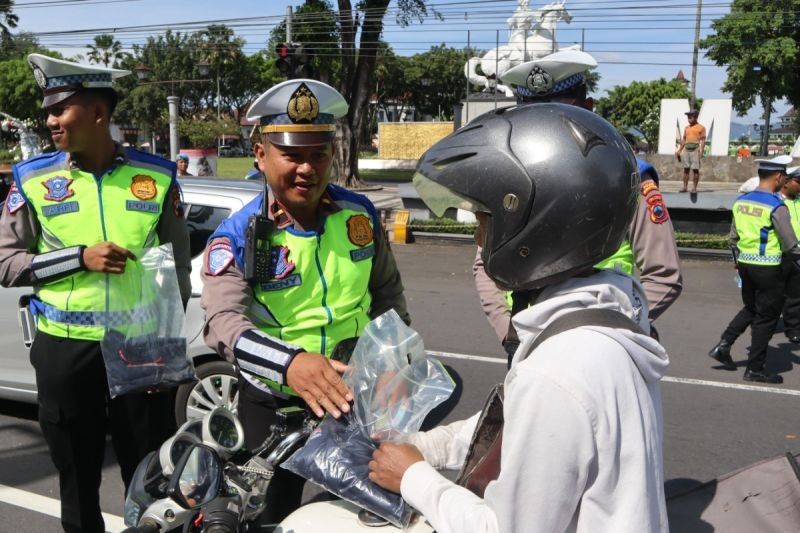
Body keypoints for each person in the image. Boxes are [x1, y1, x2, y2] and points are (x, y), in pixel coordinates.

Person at [368, 103, 669, 533]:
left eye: (484, 220)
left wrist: (413, 478)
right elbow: (522, 426)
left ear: (536, 225)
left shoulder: (558, 370)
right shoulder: (603, 320)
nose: (477, 236)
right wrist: (426, 446)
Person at [200, 78, 409, 523]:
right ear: (261, 155)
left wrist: (397, 360)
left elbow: (387, 293)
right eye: (292, 155)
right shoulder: (237, 235)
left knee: (372, 517)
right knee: (267, 519)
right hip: (273, 408)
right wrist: (290, 364)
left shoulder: (360, 215)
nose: (307, 169)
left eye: (319, 154)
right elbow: (223, 322)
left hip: (357, 401)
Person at [0, 54, 191, 533]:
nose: (50, 121)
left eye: (60, 109)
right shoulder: (33, 180)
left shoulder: (160, 177)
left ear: (98, 114)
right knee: (77, 480)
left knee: (149, 478)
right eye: (49, 111)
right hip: (64, 349)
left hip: (141, 348)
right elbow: (5, 262)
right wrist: (77, 257)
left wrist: (165, 345)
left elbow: (178, 268)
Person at [473, 50, 682, 359]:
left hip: (602, 346)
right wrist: (506, 330)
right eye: (533, 117)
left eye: (560, 115)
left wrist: (621, 327)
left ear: (588, 109)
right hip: (526, 339)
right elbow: (483, 262)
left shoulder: (623, 175)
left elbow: (664, 274)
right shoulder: (511, 181)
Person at [707, 155, 799, 383]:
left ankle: (724, 345)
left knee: (750, 307)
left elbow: (732, 238)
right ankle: (755, 368)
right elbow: (790, 244)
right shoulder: (777, 206)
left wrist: (738, 262)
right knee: (766, 318)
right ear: (778, 177)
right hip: (769, 268)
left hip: (746, 265)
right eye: (784, 177)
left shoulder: (742, 201)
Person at [780, 167, 800, 344]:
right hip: (780, 253)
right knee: (774, 293)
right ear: (787, 181)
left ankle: (793, 329)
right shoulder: (776, 201)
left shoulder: (799, 202)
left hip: (798, 255)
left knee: (795, 294)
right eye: (798, 182)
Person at [676, 109, 706, 193]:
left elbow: (703, 140)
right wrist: (679, 150)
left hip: (695, 149)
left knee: (695, 170)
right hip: (686, 149)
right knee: (686, 170)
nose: (688, 117)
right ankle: (685, 187)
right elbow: (684, 140)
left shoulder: (701, 128)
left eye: (690, 116)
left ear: (696, 117)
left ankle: (694, 188)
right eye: (688, 116)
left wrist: (702, 152)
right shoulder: (686, 128)